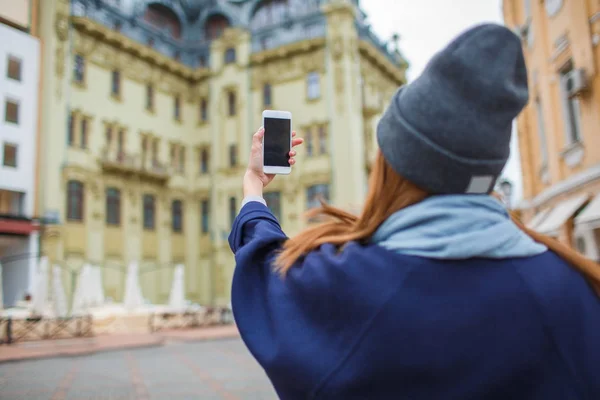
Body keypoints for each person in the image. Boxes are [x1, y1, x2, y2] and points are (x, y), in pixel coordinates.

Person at [228, 24, 600, 400]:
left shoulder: (345, 288)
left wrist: (253, 184)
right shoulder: (574, 291)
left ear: (393, 165)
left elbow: (262, 266)